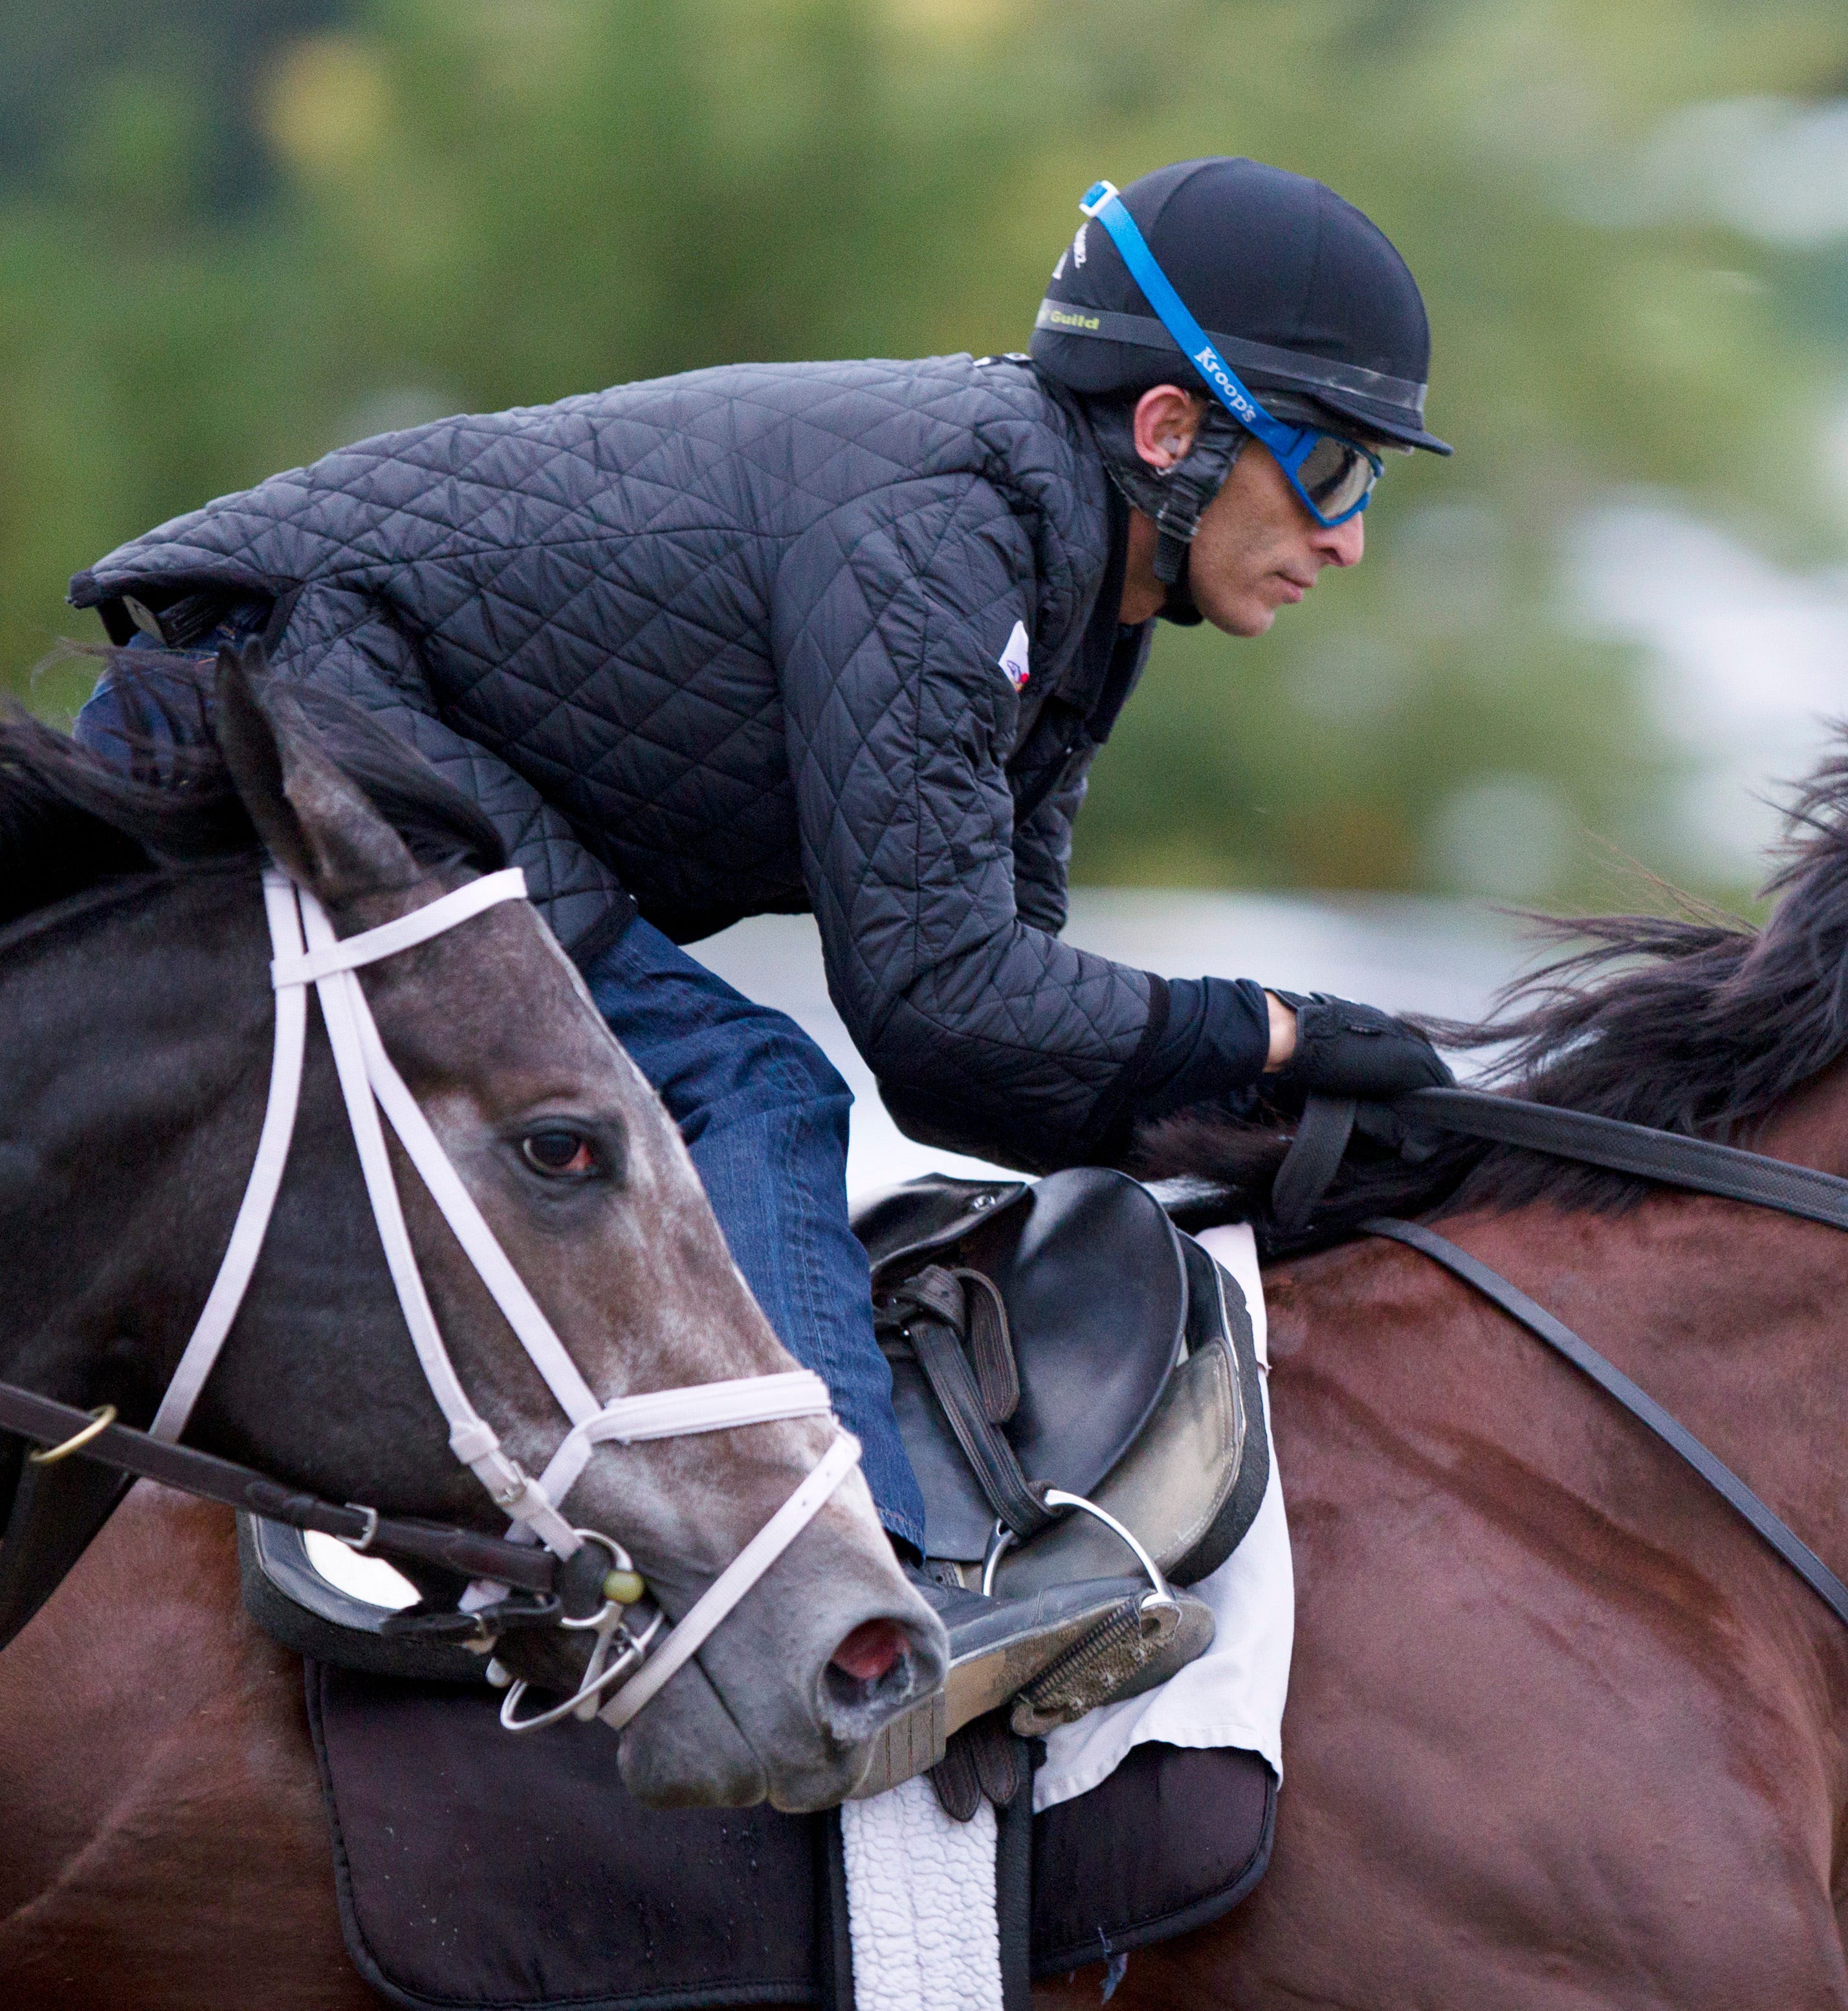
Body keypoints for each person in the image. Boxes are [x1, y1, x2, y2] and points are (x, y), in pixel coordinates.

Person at [67, 157, 1455, 1711]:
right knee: (752, 1086)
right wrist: (1263, 1026)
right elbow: (941, 993)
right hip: (286, 690)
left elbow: (972, 1061)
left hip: (346, 697)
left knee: (750, 1080)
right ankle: (871, 1599)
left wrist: (1276, 1116)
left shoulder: (1081, 600)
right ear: (1169, 431)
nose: (1346, 539)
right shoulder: (952, 531)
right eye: (1332, 469)